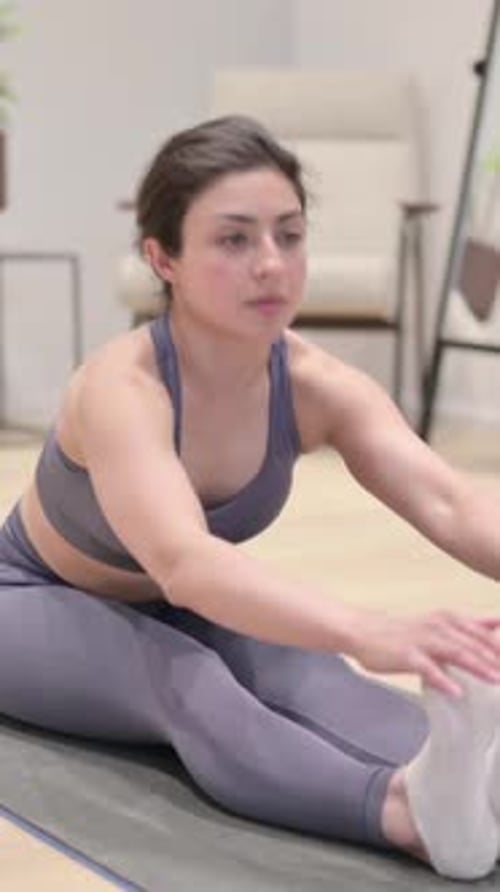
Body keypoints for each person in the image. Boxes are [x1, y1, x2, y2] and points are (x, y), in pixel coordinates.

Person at [0, 115, 500, 881]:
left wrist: (361, 642)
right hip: (30, 599)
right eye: (234, 240)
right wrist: (373, 628)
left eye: (289, 236)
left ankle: (475, 779)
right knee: (187, 681)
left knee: (309, 670)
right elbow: (187, 564)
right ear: (163, 258)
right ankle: (406, 815)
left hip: (179, 602)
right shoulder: (121, 389)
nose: (271, 264)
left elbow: (450, 504)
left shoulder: (316, 384)